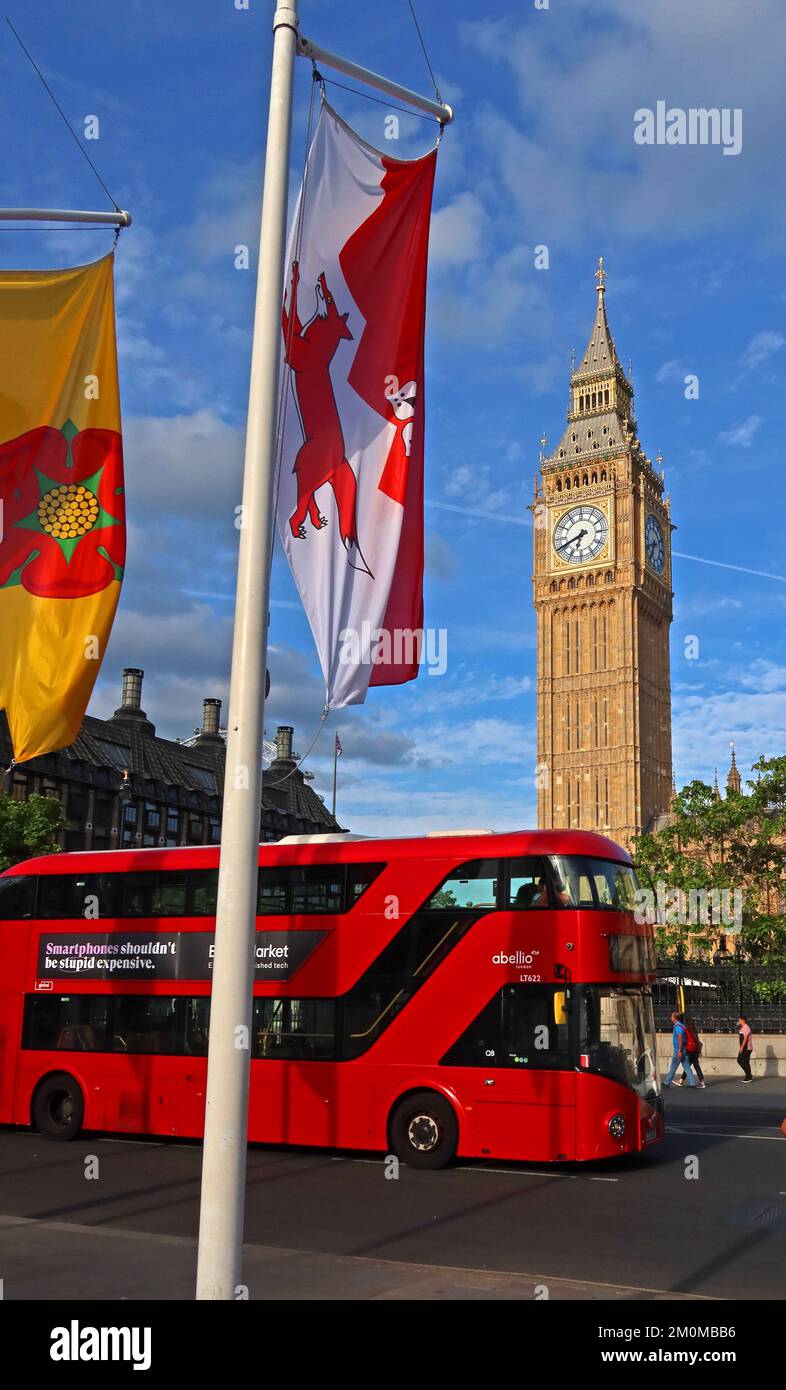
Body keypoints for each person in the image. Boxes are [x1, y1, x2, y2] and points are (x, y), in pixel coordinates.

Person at [663, 1011, 696, 1088]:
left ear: (674, 1018)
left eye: (671, 1016)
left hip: (679, 1049)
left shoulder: (677, 1027)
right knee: (686, 1066)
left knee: (673, 1066)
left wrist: (679, 1051)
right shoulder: (682, 1026)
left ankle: (667, 1082)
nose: (670, 1018)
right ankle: (692, 1083)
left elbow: (680, 1039)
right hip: (684, 1049)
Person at [680, 1013, 706, 1088]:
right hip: (695, 1050)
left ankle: (682, 1080)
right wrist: (699, 1051)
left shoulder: (686, 1029)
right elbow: (697, 1040)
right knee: (696, 1066)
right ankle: (702, 1082)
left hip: (689, 1050)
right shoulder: (694, 1029)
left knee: (687, 1065)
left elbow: (684, 1040)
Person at [737, 1015, 754, 1082]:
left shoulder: (746, 1028)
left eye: (739, 1020)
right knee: (746, 1062)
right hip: (744, 1047)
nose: (739, 1021)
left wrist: (741, 1047)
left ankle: (748, 1075)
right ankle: (749, 1076)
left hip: (746, 1048)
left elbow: (745, 1039)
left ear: (743, 1020)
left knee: (740, 1060)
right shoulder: (742, 1027)